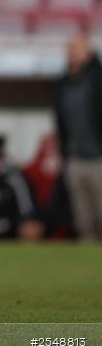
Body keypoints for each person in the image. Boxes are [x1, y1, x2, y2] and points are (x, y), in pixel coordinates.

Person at [56, 32, 102, 241]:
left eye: (74, 49)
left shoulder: (97, 79)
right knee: (83, 218)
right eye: (68, 49)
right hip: (74, 156)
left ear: (88, 52)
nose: (69, 53)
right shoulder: (64, 82)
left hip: (98, 156)